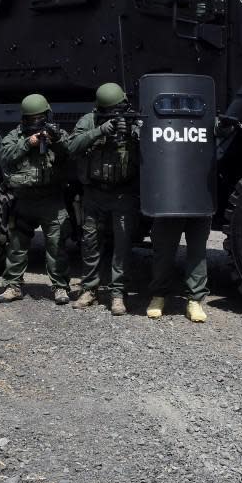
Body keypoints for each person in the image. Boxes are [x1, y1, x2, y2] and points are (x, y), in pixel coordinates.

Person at [146, 116, 240, 323]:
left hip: (199, 196)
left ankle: (194, 299)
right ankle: (159, 295)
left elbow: (216, 129)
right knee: (163, 249)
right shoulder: (164, 118)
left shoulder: (203, 119)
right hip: (170, 197)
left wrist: (222, 126)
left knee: (197, 252)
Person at [67, 83, 141, 316]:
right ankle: (89, 289)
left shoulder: (132, 121)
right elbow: (72, 146)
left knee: (122, 246)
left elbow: (151, 146)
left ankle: (118, 294)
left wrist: (133, 131)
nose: (116, 115)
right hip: (94, 193)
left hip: (122, 193)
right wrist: (100, 130)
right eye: (110, 111)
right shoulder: (89, 121)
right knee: (90, 243)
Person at [0, 94, 72, 305]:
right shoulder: (15, 136)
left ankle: (60, 287)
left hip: (51, 199)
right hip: (24, 200)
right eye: (32, 119)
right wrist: (28, 143)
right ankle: (13, 286)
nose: (36, 122)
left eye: (40, 118)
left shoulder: (56, 133)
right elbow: (5, 156)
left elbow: (71, 150)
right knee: (17, 245)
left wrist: (55, 140)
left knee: (56, 246)